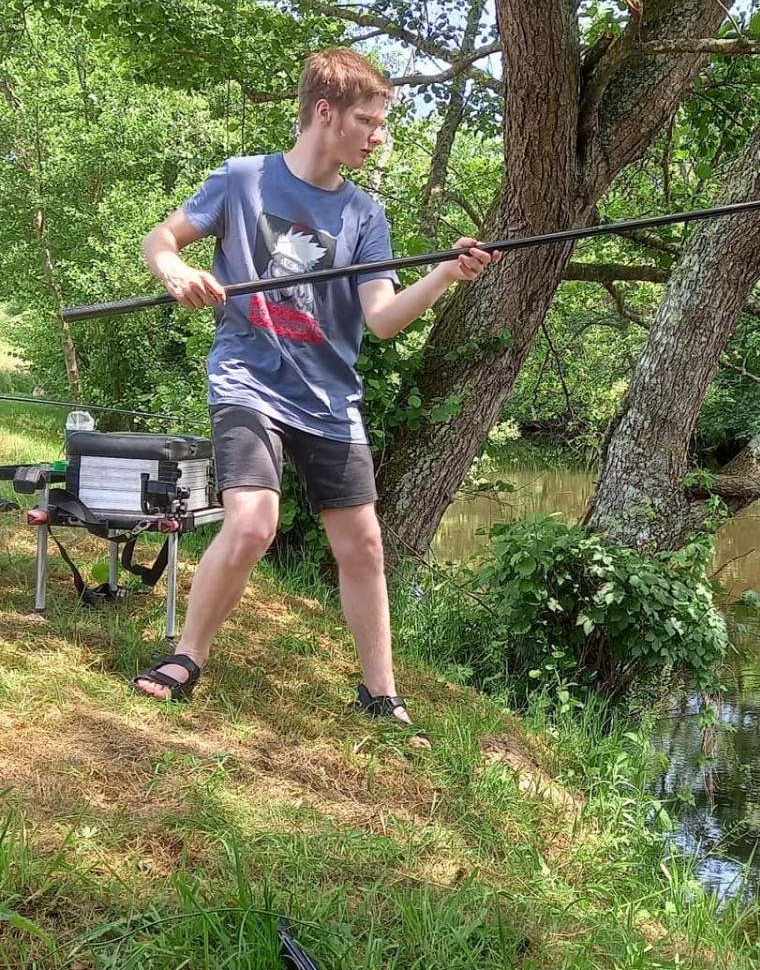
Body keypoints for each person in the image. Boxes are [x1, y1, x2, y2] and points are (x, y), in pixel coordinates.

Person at [132, 47, 496, 734]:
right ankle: (185, 657)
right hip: (247, 378)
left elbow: (382, 319)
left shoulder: (364, 215)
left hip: (328, 397)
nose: (378, 134)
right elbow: (161, 238)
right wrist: (176, 272)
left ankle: (378, 691)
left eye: (381, 122)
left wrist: (445, 275)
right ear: (325, 113)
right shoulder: (243, 181)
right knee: (250, 523)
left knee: (362, 545)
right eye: (368, 119)